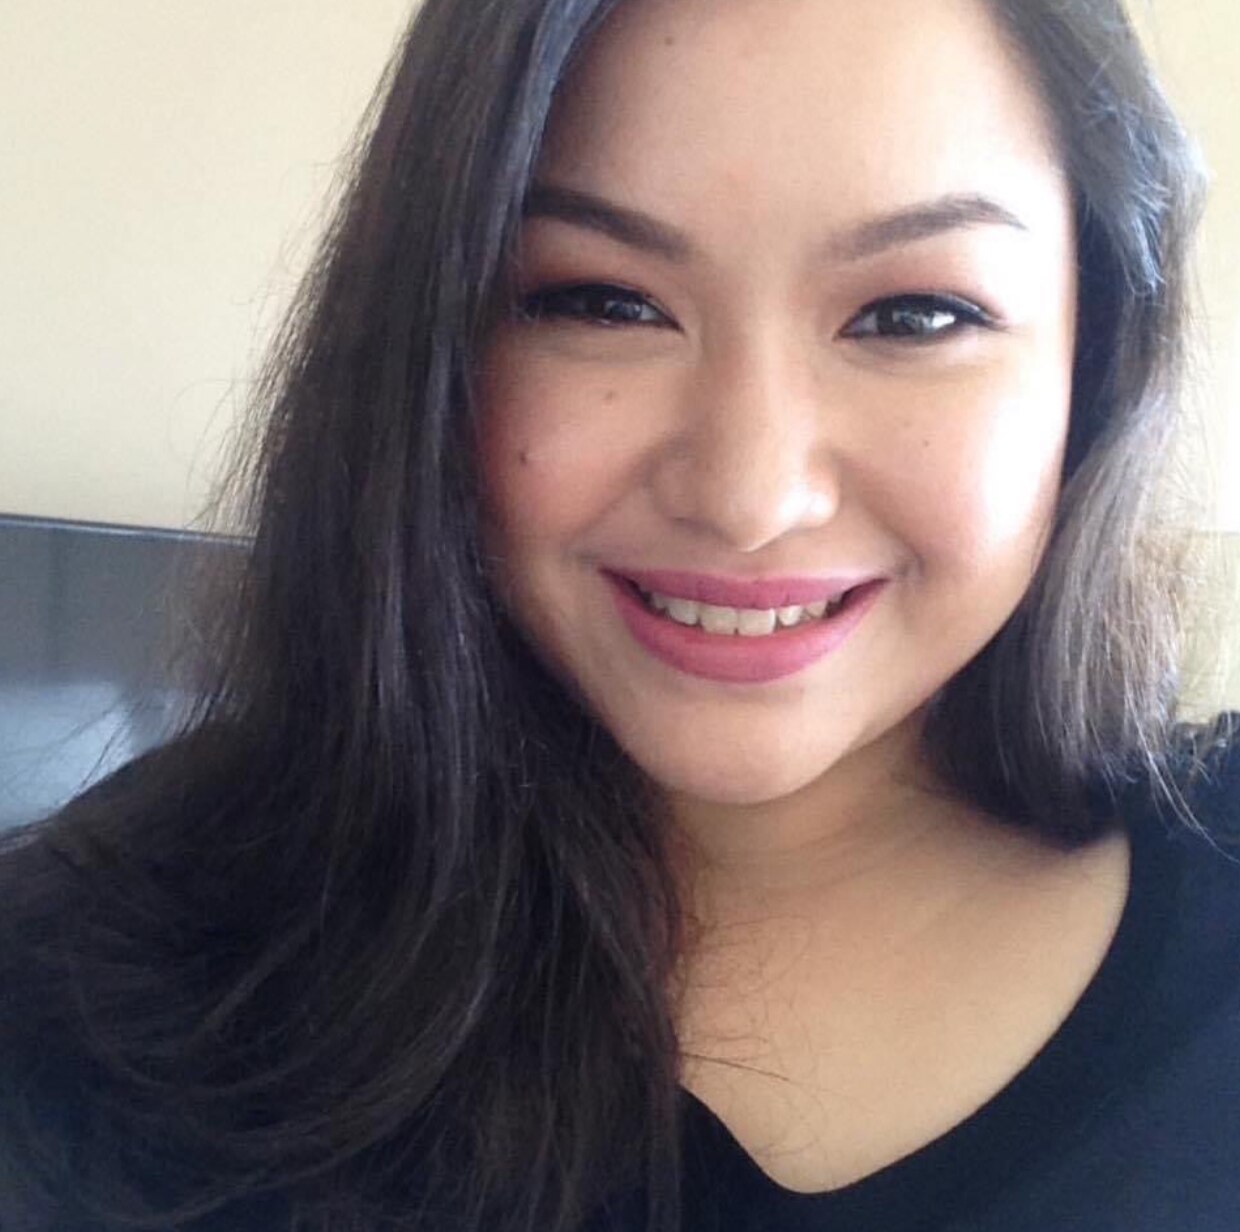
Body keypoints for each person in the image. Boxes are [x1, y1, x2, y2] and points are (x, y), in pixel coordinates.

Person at [1, 0, 1235, 1229]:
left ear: (1092, 364)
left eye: (914, 315)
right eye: (602, 300)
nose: (748, 496)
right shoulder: (87, 988)